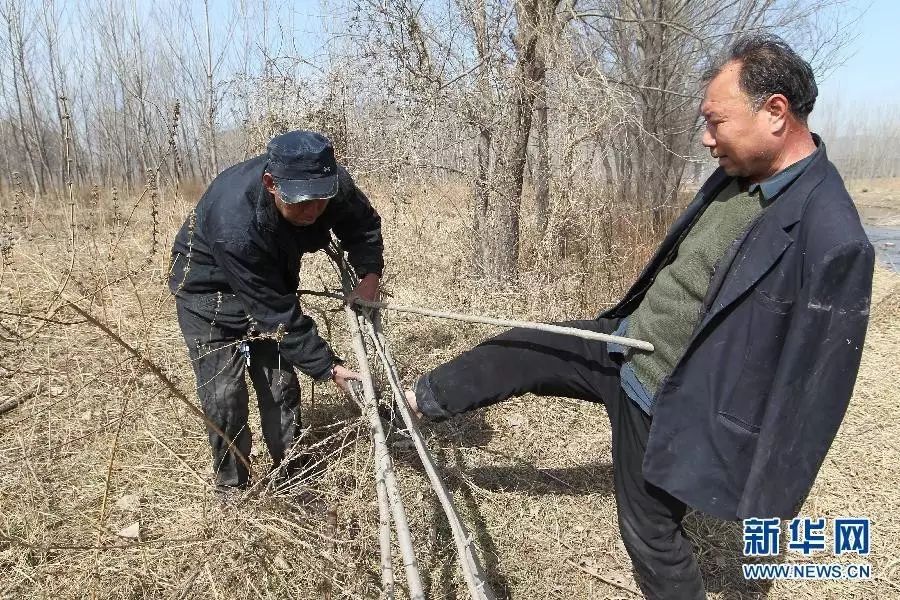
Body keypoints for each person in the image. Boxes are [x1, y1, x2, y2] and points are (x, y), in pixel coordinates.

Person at [405, 35, 874, 599]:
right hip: (627, 344)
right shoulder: (739, 170)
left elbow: (816, 394)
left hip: (668, 398)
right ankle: (413, 404)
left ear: (775, 111)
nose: (705, 138)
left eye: (715, 121)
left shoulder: (832, 235)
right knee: (523, 347)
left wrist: (767, 503)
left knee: (651, 534)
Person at [169, 130, 383, 495]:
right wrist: (329, 368)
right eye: (302, 202)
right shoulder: (234, 222)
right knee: (225, 398)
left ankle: (293, 474)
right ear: (271, 183)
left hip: (270, 283)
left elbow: (362, 226)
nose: (314, 211)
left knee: (280, 387)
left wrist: (369, 274)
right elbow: (276, 314)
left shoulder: (332, 185)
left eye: (321, 200)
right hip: (209, 295)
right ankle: (233, 488)